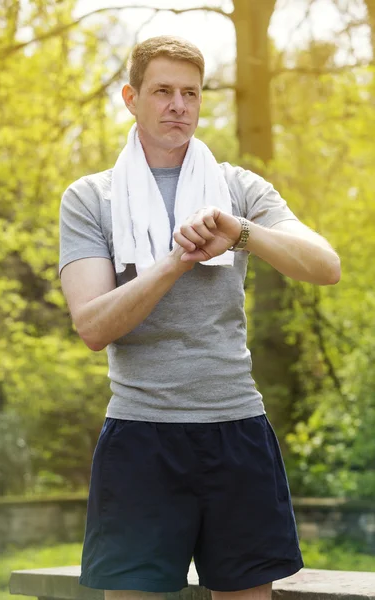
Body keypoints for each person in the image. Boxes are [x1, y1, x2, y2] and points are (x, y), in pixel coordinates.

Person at [59, 36, 340, 600]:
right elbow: (92, 327)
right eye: (162, 91)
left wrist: (240, 232)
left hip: (236, 430)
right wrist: (176, 261)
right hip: (141, 436)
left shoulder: (237, 190)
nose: (178, 105)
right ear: (130, 97)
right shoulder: (92, 198)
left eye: (191, 93)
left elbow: (325, 265)